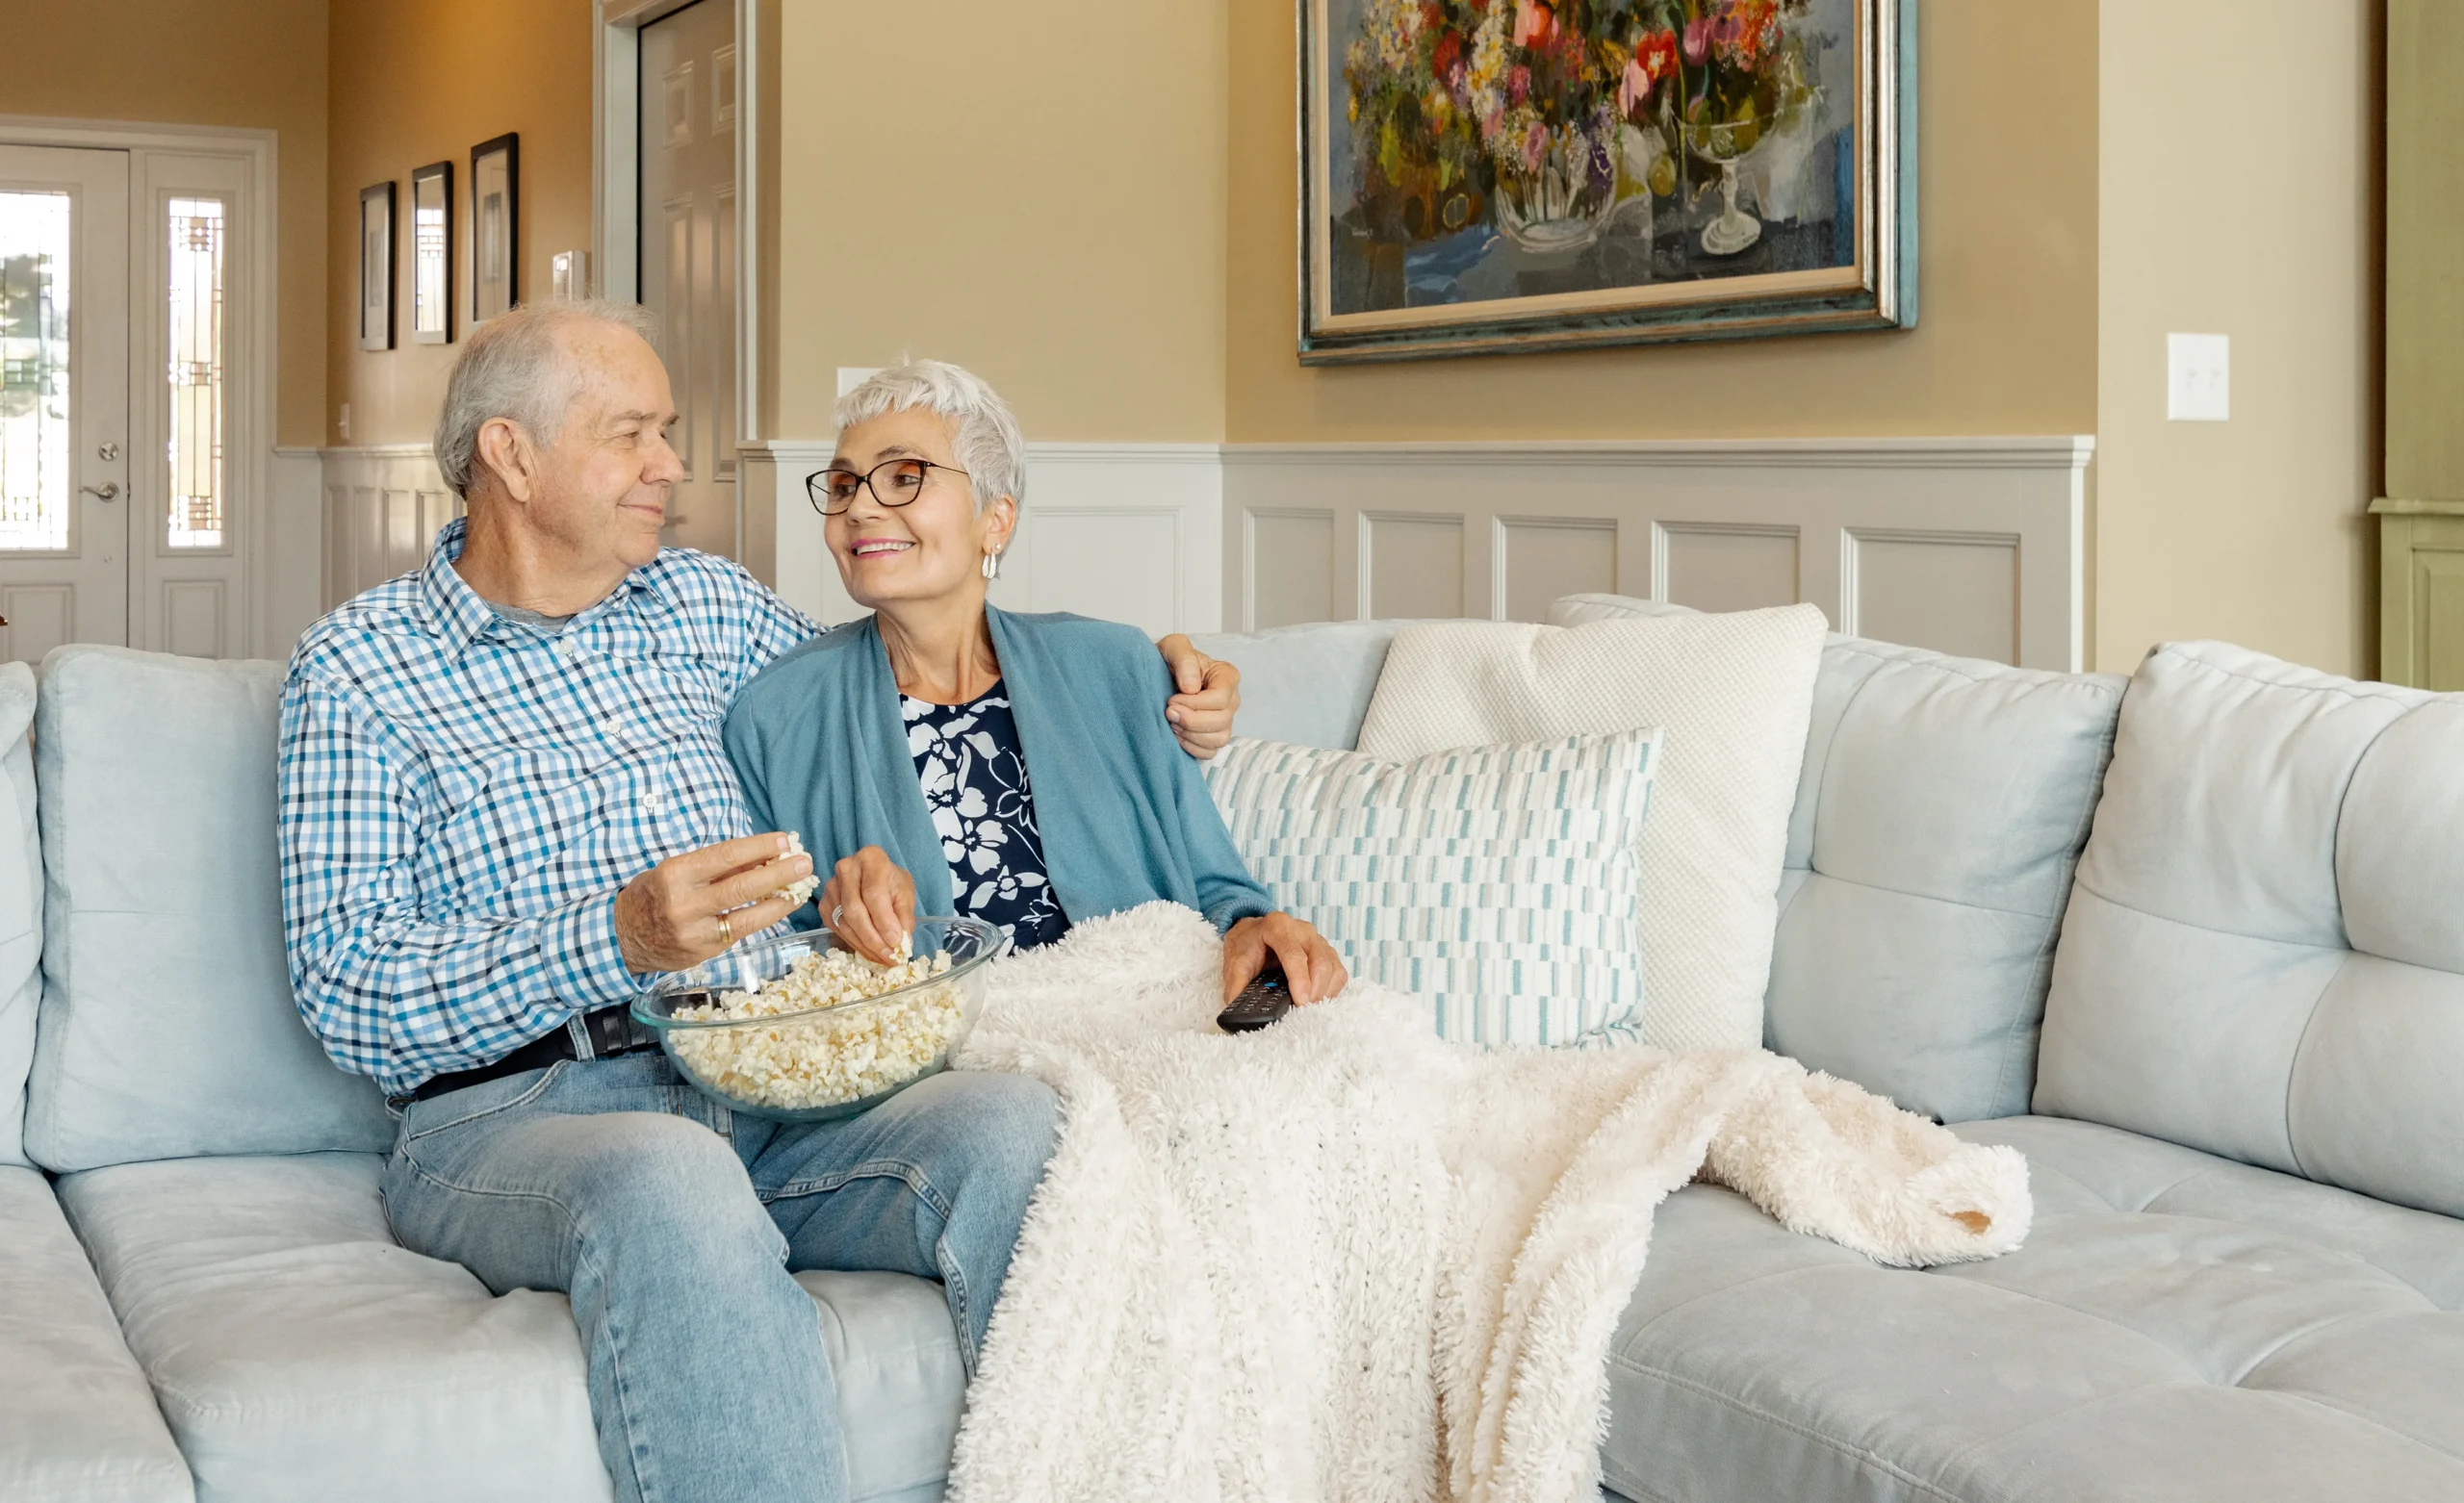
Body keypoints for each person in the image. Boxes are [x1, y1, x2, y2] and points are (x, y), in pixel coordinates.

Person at [275, 302, 1245, 1503]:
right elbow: (346, 989)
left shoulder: (706, 607)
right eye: (634, 433)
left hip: (772, 1084)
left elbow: (907, 680)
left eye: (669, 432)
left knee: (1018, 1125)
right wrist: (614, 937)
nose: (673, 466)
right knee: (668, 1176)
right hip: (520, 1110)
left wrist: (1153, 678)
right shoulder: (362, 669)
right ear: (511, 457)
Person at [722, 360, 1349, 1007]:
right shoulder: (778, 716)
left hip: (1153, 1020)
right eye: (844, 484)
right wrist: (838, 926)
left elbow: (1220, 891)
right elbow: (770, 967)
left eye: (904, 478)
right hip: (967, 1071)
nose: (859, 507)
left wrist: (1258, 928)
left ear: (995, 519)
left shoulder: (1117, 667)